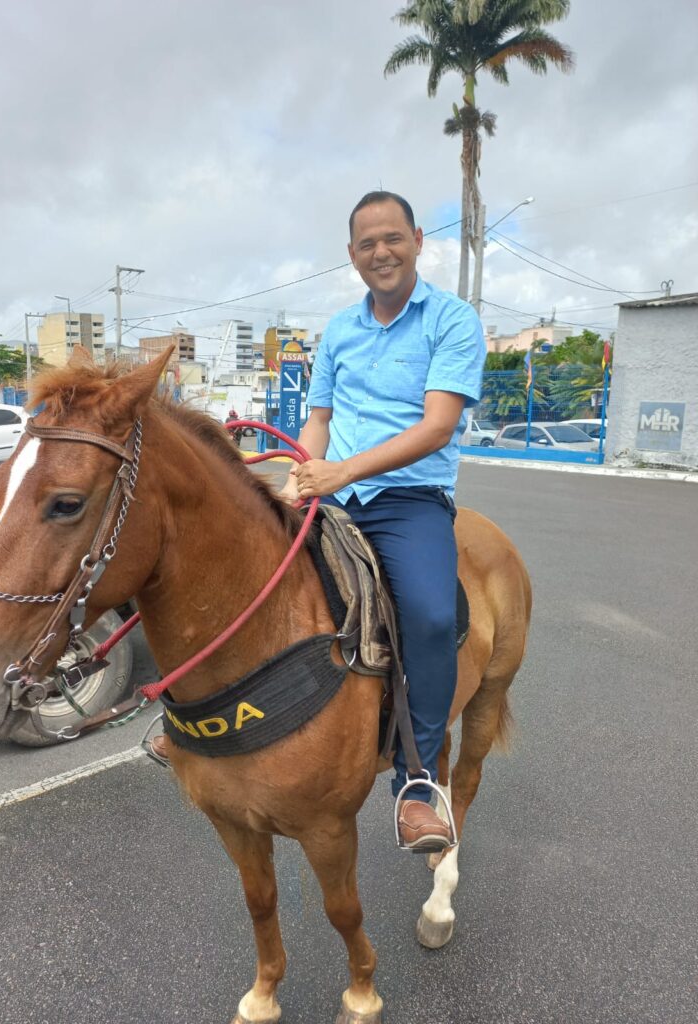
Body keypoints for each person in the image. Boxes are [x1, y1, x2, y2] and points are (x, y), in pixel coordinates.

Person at [278, 190, 485, 851]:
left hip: (408, 498)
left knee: (427, 614)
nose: (381, 252)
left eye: (392, 238)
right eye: (367, 244)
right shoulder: (339, 329)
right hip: (332, 493)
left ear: (419, 240)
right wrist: (296, 479)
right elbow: (318, 422)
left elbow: (437, 426)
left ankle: (416, 782)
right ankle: (202, 715)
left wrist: (343, 472)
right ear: (352, 256)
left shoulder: (452, 321)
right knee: (252, 567)